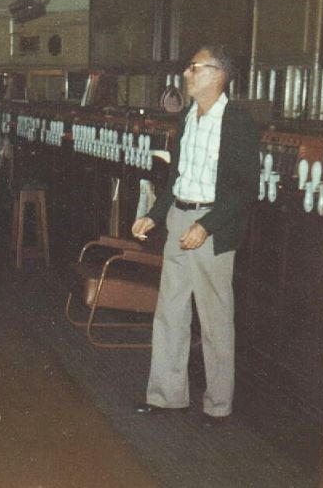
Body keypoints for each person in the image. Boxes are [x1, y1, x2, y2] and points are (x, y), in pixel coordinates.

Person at [131, 45, 259, 427]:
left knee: (215, 317)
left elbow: (244, 187)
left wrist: (208, 225)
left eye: (194, 68)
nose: (187, 74)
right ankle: (166, 396)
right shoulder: (189, 117)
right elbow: (177, 178)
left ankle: (218, 406)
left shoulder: (237, 121)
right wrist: (154, 216)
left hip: (212, 227)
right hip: (178, 217)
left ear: (218, 75)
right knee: (170, 311)